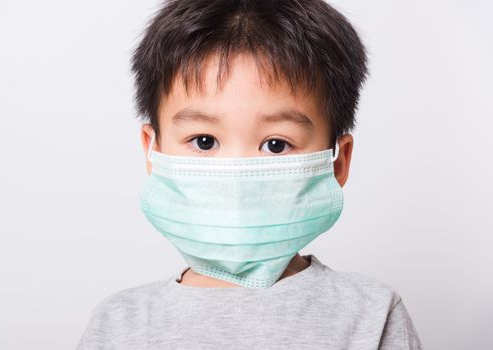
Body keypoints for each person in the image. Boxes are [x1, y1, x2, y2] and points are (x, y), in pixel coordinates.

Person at [76, 0, 423, 348]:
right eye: (204, 141)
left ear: (337, 163)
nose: (236, 177)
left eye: (276, 144)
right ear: (154, 152)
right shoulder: (118, 324)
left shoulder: (372, 316)